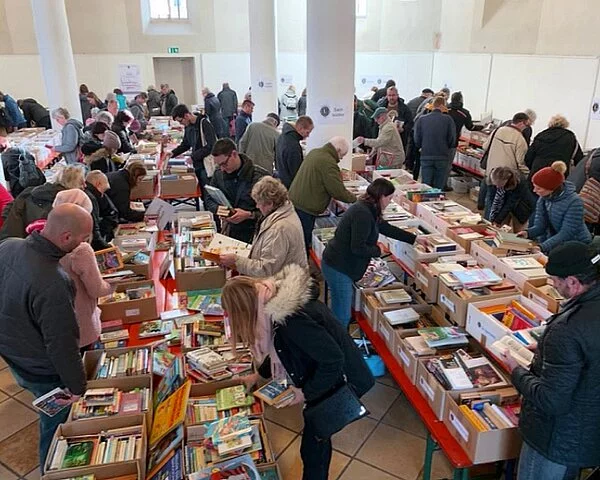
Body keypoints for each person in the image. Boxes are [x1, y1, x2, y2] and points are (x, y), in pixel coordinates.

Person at [221, 264, 374, 480]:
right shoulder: (272, 301)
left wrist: (305, 393)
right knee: (316, 441)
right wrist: (258, 375)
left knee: (314, 447)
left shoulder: (291, 319)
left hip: (338, 381)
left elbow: (333, 360)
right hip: (323, 376)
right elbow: (280, 346)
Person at [0, 204, 91, 471]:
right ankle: (49, 471)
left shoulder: (9, 245)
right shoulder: (54, 282)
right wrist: (77, 387)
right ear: (66, 237)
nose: (84, 243)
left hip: (14, 354)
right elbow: (62, 344)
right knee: (54, 426)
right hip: (41, 368)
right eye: (83, 238)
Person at [500, 241, 600, 480]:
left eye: (555, 280)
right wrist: (547, 350)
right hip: (588, 431)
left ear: (573, 282)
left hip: (556, 439)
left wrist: (516, 371)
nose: (553, 285)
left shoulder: (567, 329)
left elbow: (551, 400)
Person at [322, 179, 416, 327]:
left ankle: (336, 335)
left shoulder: (370, 209)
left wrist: (414, 239)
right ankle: (337, 339)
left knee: (340, 309)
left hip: (342, 264)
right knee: (342, 316)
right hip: (339, 267)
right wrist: (378, 250)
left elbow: (386, 228)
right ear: (381, 196)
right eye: (389, 198)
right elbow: (357, 248)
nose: (390, 202)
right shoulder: (363, 214)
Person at [52, 190, 114, 350]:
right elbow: (96, 290)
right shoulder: (81, 249)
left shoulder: (47, 238)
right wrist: (113, 283)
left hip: (57, 326)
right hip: (82, 322)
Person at [219, 176, 307, 276]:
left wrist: (236, 261)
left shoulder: (278, 229)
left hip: (283, 282)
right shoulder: (285, 213)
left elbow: (266, 270)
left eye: (258, 203)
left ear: (270, 204)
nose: (257, 206)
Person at [289, 137, 357, 250]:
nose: (341, 159)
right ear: (338, 150)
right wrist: (355, 199)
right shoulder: (328, 163)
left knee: (299, 238)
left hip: (297, 201)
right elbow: (338, 191)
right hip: (306, 207)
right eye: (342, 155)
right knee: (303, 242)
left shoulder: (315, 152)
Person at [204, 139, 268, 243]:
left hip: (256, 233)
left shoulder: (260, 178)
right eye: (219, 165)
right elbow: (208, 199)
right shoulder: (218, 174)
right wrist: (218, 209)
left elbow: (273, 212)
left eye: (224, 164)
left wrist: (249, 215)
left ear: (234, 154)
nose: (222, 169)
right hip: (230, 232)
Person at [520, 161, 591, 253]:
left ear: (551, 189)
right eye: (534, 187)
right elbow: (540, 225)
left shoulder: (574, 202)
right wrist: (527, 233)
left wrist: (543, 247)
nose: (534, 190)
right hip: (556, 243)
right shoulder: (543, 199)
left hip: (575, 244)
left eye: (538, 188)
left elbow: (567, 232)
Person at [0, 164, 86, 240]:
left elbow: (7, 210)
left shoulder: (28, 192)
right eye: (82, 183)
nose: (84, 186)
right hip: (39, 247)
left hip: (13, 242)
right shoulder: (69, 204)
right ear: (74, 184)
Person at [482, 112, 530, 216]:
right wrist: (527, 174)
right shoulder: (520, 139)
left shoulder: (497, 130)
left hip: (492, 172)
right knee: (503, 204)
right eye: (526, 125)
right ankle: (496, 223)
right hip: (507, 177)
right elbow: (520, 162)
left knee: (490, 200)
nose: (526, 128)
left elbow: (485, 146)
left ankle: (486, 222)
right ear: (521, 123)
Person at [169, 103, 217, 195]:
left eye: (181, 121)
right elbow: (186, 144)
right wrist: (173, 153)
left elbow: (211, 146)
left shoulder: (204, 124)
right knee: (201, 192)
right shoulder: (188, 126)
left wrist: (193, 157)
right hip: (197, 164)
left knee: (208, 193)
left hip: (206, 165)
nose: (181, 124)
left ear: (186, 115)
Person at [413, 96, 457, 189]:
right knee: (439, 186)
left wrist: (421, 146)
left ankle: (425, 198)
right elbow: (452, 138)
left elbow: (416, 138)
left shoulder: (422, 119)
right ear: (443, 105)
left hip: (426, 155)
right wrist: (447, 147)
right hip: (442, 155)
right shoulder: (448, 119)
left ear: (432, 105)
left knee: (426, 185)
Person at [525, 114, 583, 180]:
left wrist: (533, 168)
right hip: (559, 172)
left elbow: (528, 157)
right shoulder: (570, 137)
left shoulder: (541, 135)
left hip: (538, 173)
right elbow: (579, 159)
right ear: (565, 124)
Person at [447, 91, 482, 190]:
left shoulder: (445, 109)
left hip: (440, 140)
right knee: (448, 164)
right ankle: (443, 184)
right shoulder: (464, 113)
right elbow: (470, 127)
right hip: (453, 141)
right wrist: (481, 127)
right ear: (461, 100)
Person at [486, 167, 534, 231]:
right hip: (502, 205)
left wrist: (497, 220)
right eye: (495, 185)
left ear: (506, 180)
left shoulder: (519, 182)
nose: (497, 187)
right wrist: (492, 218)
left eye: (499, 185)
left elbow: (510, 203)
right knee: (498, 229)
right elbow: (490, 198)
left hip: (521, 207)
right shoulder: (492, 179)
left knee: (519, 231)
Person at [275, 116, 314, 189]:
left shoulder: (282, 137)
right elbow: (296, 172)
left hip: (283, 181)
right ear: (300, 128)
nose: (308, 135)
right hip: (291, 186)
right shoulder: (293, 146)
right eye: (307, 132)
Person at [85, 170, 118, 246]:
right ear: (98, 184)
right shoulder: (91, 199)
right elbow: (95, 231)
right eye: (104, 191)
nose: (103, 194)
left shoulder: (95, 194)